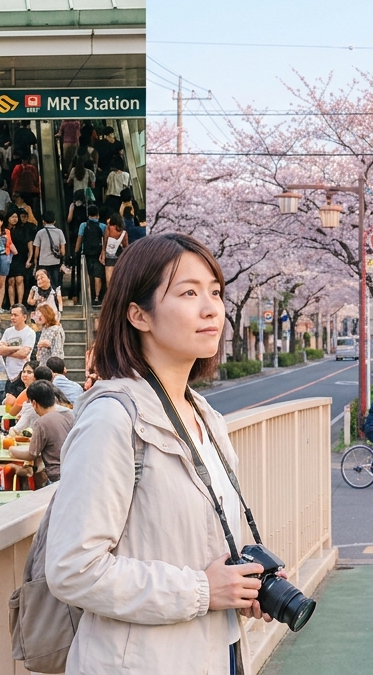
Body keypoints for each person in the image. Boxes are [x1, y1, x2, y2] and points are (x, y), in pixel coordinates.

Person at [44, 233, 272, 673]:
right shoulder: (113, 419)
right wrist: (204, 591)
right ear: (138, 315)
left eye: (215, 292)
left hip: (215, 654)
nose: (211, 308)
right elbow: (73, 568)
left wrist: (239, 584)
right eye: (189, 293)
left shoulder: (204, 416)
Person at [9, 380, 74, 485]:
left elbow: (31, 454)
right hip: (73, 471)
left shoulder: (42, 422)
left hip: (56, 476)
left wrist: (11, 450)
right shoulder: (69, 415)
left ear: (34, 403)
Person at [0, 305, 37, 397]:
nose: (12, 317)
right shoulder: (8, 331)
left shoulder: (29, 332)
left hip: (22, 374)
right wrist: (17, 348)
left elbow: (24, 353)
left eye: (16, 315)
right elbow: (0, 350)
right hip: (9, 375)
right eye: (11, 315)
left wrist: (7, 352)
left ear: (24, 317)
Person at [75, 206, 107, 305]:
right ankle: (97, 298)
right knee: (98, 276)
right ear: (98, 215)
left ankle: (88, 296)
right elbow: (105, 241)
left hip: (86, 253)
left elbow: (79, 239)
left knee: (87, 275)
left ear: (88, 215)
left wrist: (76, 251)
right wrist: (103, 252)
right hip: (98, 254)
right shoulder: (102, 226)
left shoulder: (83, 225)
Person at [30, 211, 67, 291]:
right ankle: (56, 300)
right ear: (54, 221)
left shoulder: (40, 233)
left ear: (43, 221)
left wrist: (35, 261)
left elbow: (37, 250)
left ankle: (47, 300)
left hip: (43, 262)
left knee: (44, 283)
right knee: (56, 283)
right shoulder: (59, 232)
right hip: (56, 262)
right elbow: (63, 251)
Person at [8, 209, 37, 309]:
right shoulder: (6, 230)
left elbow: (30, 244)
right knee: (11, 281)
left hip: (21, 257)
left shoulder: (24, 229)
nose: (15, 219)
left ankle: (20, 304)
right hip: (10, 258)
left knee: (20, 279)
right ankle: (12, 304)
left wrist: (29, 259)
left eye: (16, 217)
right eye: (13, 217)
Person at [102, 213, 129, 292]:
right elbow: (126, 246)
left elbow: (105, 241)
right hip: (119, 256)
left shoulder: (108, 229)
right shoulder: (124, 233)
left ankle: (110, 294)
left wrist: (103, 253)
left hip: (109, 256)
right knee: (118, 278)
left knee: (109, 279)